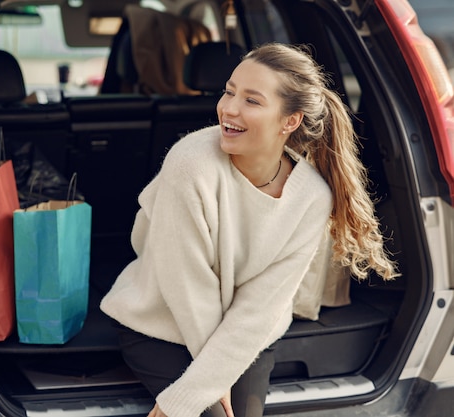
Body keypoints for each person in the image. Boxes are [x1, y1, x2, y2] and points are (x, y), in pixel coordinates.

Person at [100, 42, 398, 417]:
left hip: (246, 335)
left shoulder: (311, 197)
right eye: (229, 91)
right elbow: (187, 286)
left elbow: (263, 306)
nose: (228, 108)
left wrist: (205, 383)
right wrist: (201, 391)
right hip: (163, 325)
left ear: (290, 121)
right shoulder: (190, 164)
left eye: (252, 101)